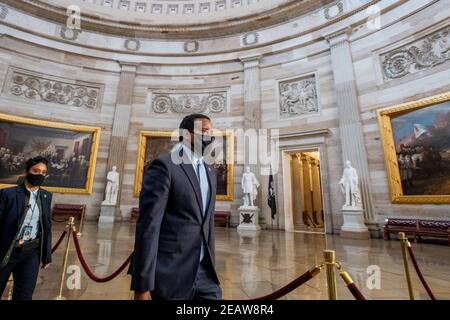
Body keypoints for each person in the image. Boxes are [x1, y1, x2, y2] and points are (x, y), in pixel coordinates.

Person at [130, 114, 221, 300]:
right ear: (187, 135)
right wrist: (142, 284)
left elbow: (207, 224)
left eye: (211, 132)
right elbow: (149, 226)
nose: (210, 137)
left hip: (205, 273)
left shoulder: (209, 169)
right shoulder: (165, 166)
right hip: (171, 272)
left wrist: (212, 273)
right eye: (204, 132)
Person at [0, 156, 53, 300]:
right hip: (7, 249)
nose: (39, 175)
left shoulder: (46, 196)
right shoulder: (7, 194)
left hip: (31, 252)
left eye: (43, 172)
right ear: (26, 172)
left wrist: (46, 255)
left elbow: (46, 226)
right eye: (36, 171)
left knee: (24, 295)